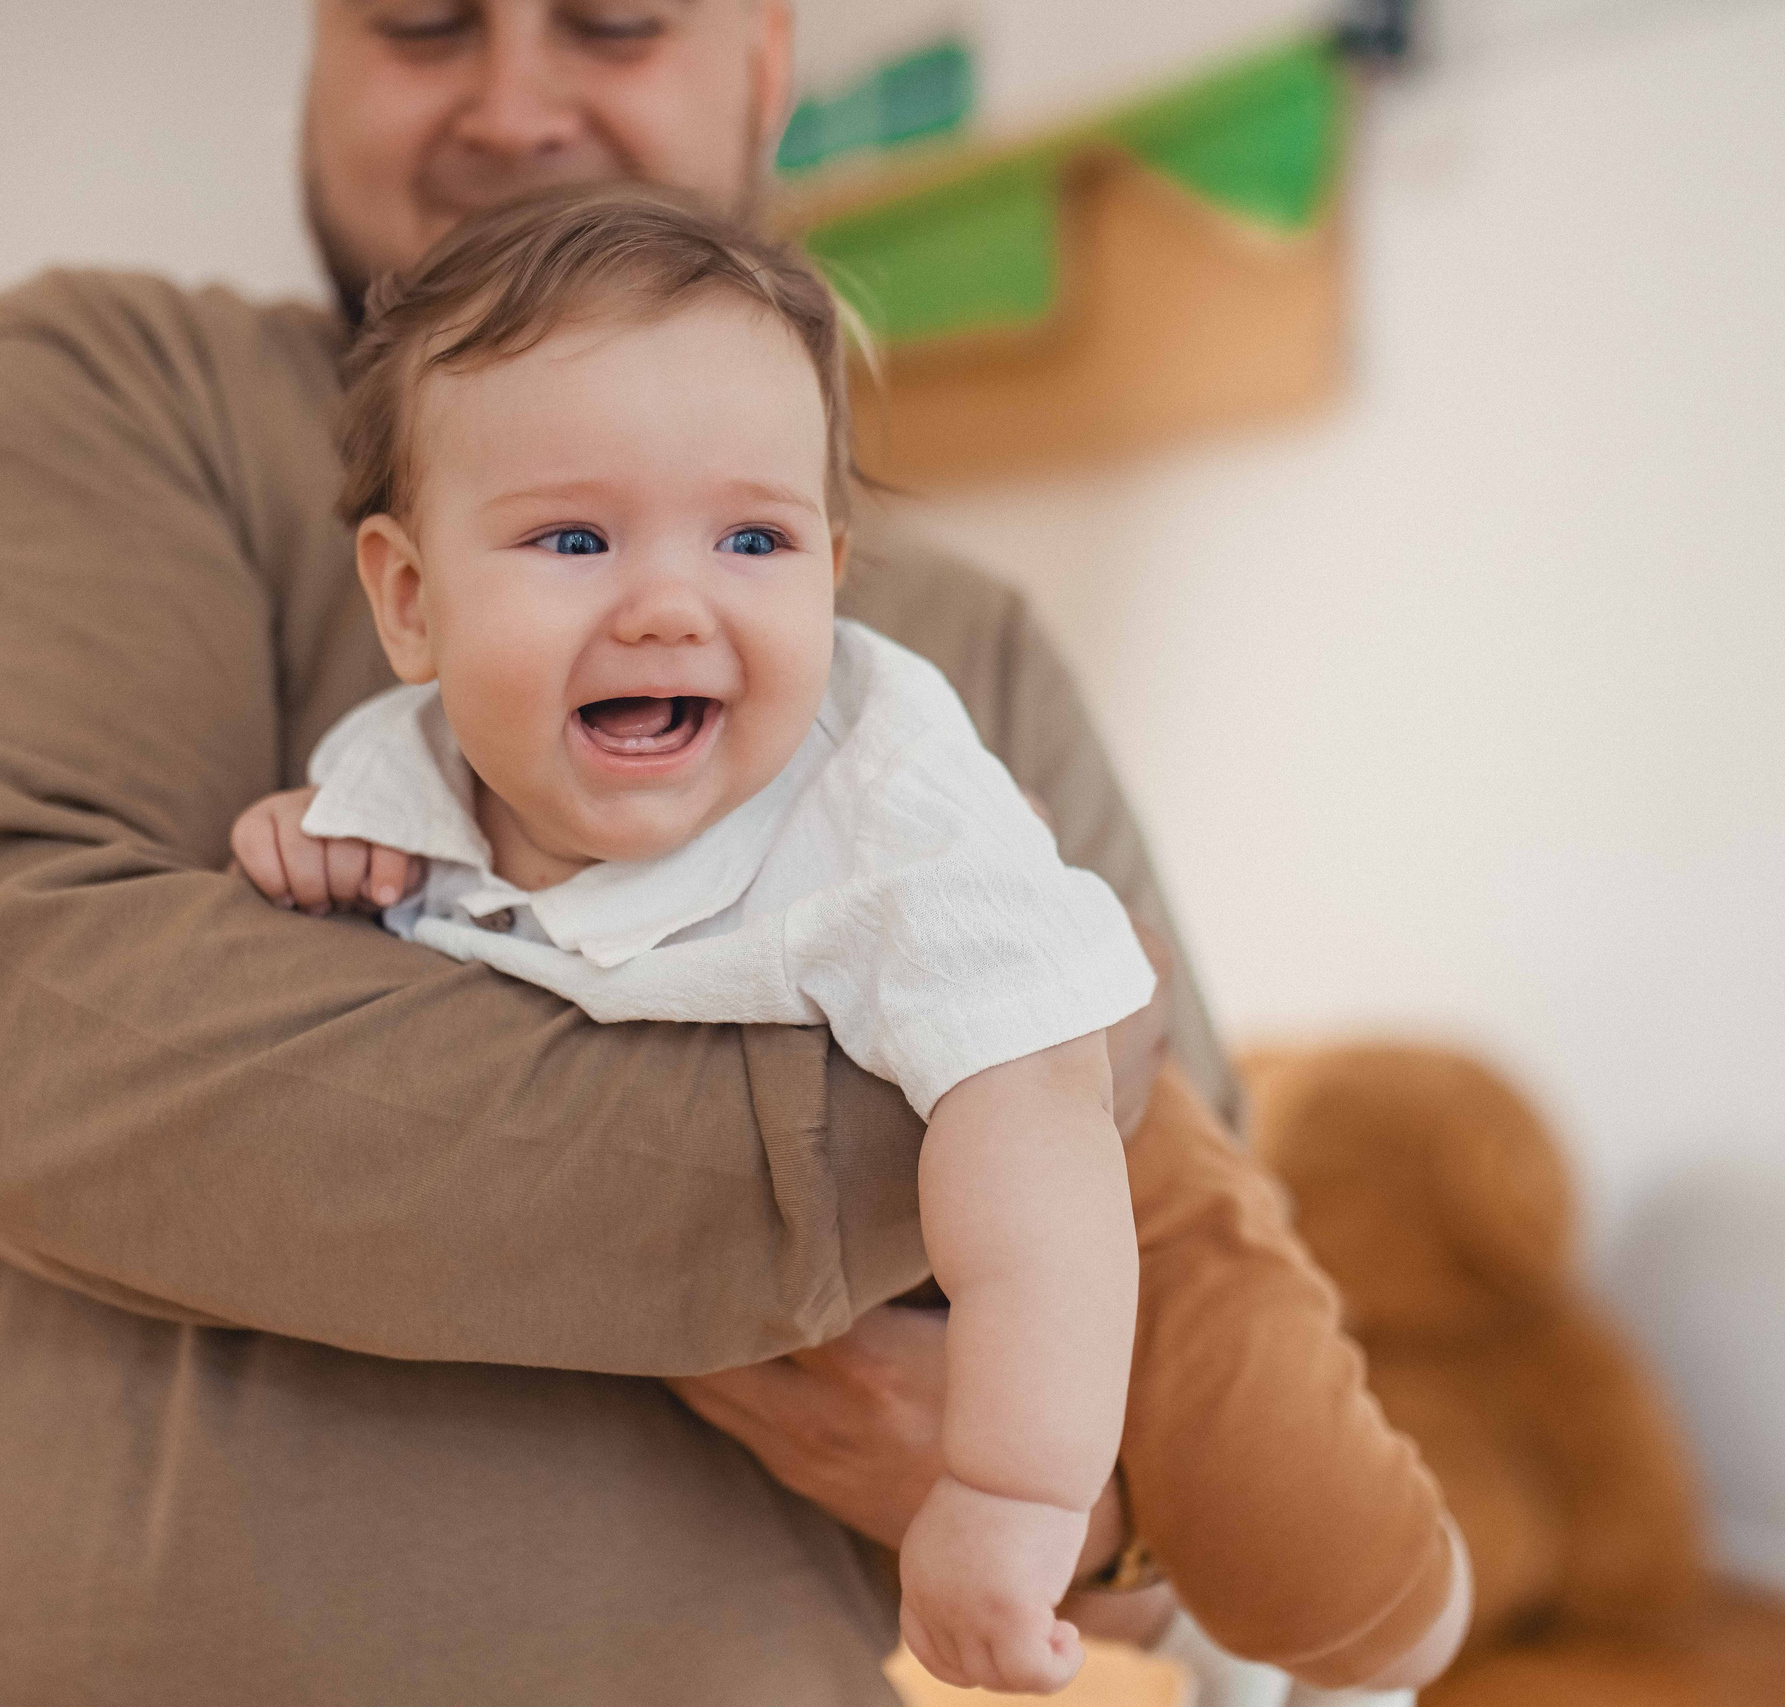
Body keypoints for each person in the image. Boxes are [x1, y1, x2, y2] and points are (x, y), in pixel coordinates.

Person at [0, 4, 1466, 1702]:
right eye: (421, 27)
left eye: (613, 25)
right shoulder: (110, 388)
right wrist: (928, 1123)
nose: (512, 99)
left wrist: (1081, 1508)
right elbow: (49, 1044)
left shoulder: (943, 668)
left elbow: (1173, 1270)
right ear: (399, 587)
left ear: (767, 68)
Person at [233, 189, 1149, 1692]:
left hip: (1109, 1185)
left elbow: (1043, 1115)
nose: (671, 603)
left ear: (833, 572)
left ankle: (1348, 1641)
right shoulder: (397, 765)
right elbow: (367, 856)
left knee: (1302, 1495)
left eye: (751, 537)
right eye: (576, 536)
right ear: (409, 600)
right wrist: (307, 835)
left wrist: (1006, 1490)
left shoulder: (888, 819)